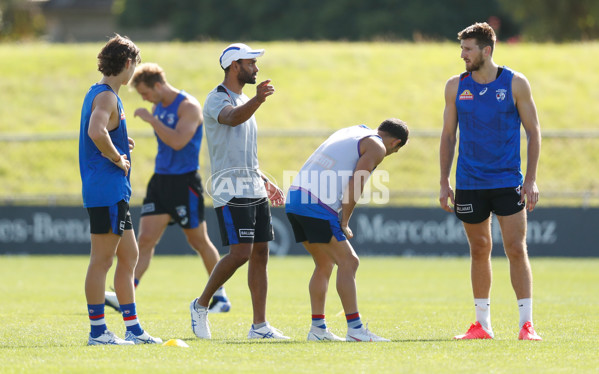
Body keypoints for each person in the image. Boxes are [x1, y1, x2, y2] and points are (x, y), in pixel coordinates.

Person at [439, 22, 542, 341]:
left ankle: (527, 325)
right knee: (479, 248)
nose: (462, 55)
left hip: (508, 180)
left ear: (487, 50)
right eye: (461, 49)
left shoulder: (516, 83)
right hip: (469, 182)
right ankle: (482, 325)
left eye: (467, 49)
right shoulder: (455, 86)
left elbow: (534, 132)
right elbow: (448, 136)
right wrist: (444, 182)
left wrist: (531, 179)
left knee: (515, 247)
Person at [103, 62, 230, 314]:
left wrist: (151, 120)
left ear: (158, 85)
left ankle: (221, 297)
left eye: (146, 93)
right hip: (160, 181)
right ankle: (125, 294)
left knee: (199, 241)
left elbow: (178, 141)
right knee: (146, 240)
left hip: (185, 183)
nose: (145, 99)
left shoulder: (189, 106)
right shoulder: (158, 106)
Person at [189, 43, 289, 340]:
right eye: (251, 63)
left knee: (260, 253)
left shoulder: (246, 99)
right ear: (235, 66)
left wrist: (265, 181)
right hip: (230, 190)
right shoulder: (216, 99)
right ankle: (201, 304)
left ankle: (259, 326)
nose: (256, 68)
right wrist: (257, 101)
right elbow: (231, 118)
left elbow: (245, 151)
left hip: (253, 187)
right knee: (241, 253)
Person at [285, 119, 409, 342]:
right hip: (316, 203)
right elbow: (357, 182)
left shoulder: (355, 130)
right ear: (395, 143)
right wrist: (344, 221)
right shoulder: (378, 146)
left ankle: (318, 329)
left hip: (295, 198)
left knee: (324, 263)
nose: (392, 153)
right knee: (350, 262)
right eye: (396, 150)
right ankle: (355, 329)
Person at [78, 34, 161, 345]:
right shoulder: (107, 96)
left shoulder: (99, 93)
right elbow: (96, 131)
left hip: (113, 191)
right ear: (128, 64)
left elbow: (102, 132)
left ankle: (133, 329)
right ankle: (98, 332)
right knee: (102, 260)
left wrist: (118, 142)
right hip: (106, 190)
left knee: (130, 256)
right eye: (133, 66)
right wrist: (117, 157)